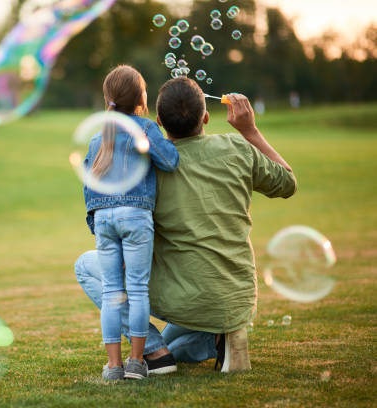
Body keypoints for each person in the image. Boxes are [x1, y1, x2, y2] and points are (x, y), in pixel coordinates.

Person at [75, 77, 297, 375]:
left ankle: (154, 353)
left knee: (88, 265)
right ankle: (223, 335)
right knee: (176, 342)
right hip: (235, 297)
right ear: (205, 117)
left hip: (185, 294)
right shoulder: (237, 147)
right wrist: (249, 131)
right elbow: (287, 182)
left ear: (158, 121)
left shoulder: (150, 168)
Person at [83, 65, 180, 380]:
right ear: (142, 97)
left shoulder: (99, 138)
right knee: (137, 290)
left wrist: (96, 224)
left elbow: (89, 185)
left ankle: (113, 367)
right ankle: (138, 362)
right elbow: (170, 161)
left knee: (112, 291)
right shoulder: (146, 129)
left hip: (104, 220)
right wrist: (156, 131)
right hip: (136, 216)